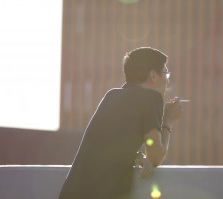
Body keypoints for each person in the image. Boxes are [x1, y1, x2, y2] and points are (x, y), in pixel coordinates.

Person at [58, 47, 183, 199]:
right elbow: (156, 157)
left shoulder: (111, 96)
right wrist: (168, 119)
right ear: (153, 75)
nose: (167, 79)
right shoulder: (151, 98)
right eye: (166, 73)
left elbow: (107, 142)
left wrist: (135, 155)